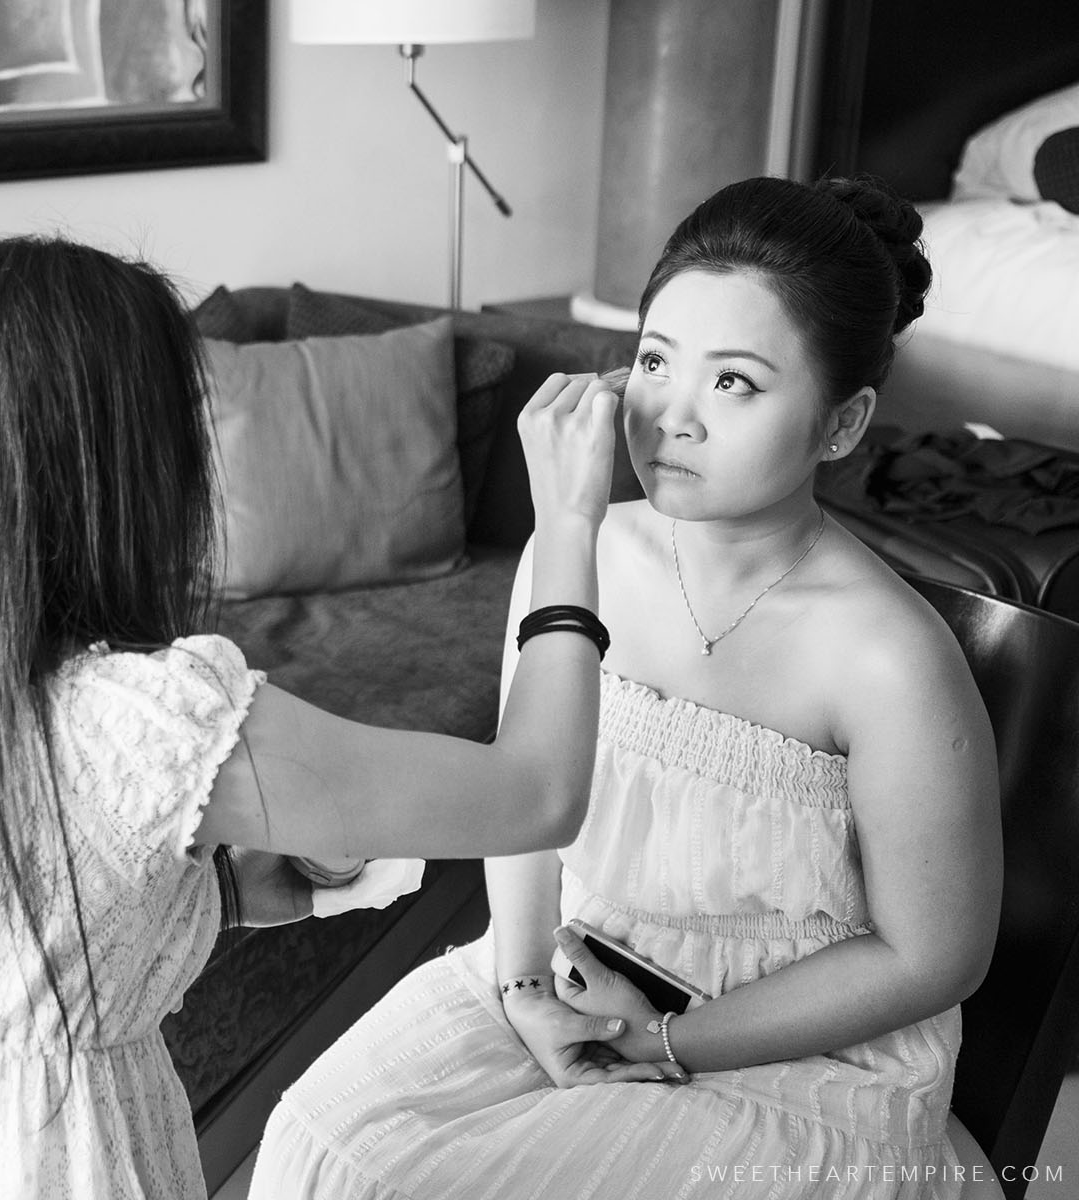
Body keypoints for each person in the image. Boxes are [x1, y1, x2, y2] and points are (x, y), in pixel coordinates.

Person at [0, 235, 628, 1199]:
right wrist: (569, 523)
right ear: (117, 464)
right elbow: (535, 797)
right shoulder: (151, 717)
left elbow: (9, 919)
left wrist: (214, 897)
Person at [249, 175, 1003, 1199]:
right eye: (655, 360)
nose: (672, 416)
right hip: (564, 963)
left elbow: (932, 957)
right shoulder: (581, 551)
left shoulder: (888, 656)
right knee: (321, 1150)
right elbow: (522, 795)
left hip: (794, 1055)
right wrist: (521, 988)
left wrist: (664, 1040)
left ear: (841, 423)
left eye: (734, 381)